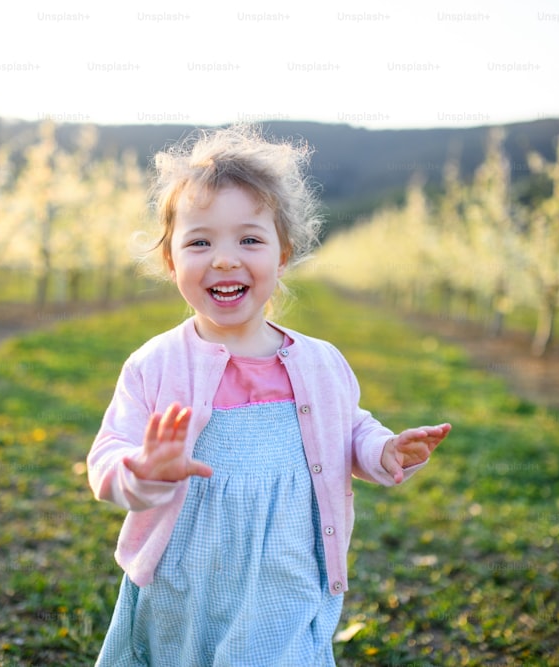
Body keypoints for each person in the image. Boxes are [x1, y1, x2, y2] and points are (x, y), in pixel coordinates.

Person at [87, 124, 451, 666]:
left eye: (249, 239)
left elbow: (349, 426)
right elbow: (107, 457)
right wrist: (143, 469)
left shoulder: (321, 363)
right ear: (170, 262)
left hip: (286, 571)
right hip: (184, 580)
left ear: (283, 255)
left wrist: (380, 451)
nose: (226, 259)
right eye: (200, 241)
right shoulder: (154, 365)